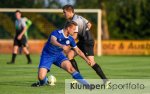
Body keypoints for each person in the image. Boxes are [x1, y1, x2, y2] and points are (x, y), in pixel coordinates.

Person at [31, 21, 91, 87]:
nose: (74, 32)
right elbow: (53, 41)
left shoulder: (70, 39)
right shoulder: (56, 33)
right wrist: (62, 46)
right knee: (41, 77)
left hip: (59, 55)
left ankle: (87, 85)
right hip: (47, 55)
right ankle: (44, 82)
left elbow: (78, 51)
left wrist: (86, 59)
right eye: (73, 29)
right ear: (68, 28)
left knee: (71, 68)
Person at [62, 5, 109, 84]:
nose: (63, 14)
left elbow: (74, 36)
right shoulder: (78, 17)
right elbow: (89, 24)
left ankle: (106, 81)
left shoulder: (75, 21)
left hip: (87, 41)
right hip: (84, 40)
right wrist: (84, 31)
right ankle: (78, 78)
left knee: (91, 62)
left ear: (70, 12)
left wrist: (65, 41)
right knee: (69, 55)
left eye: (64, 12)